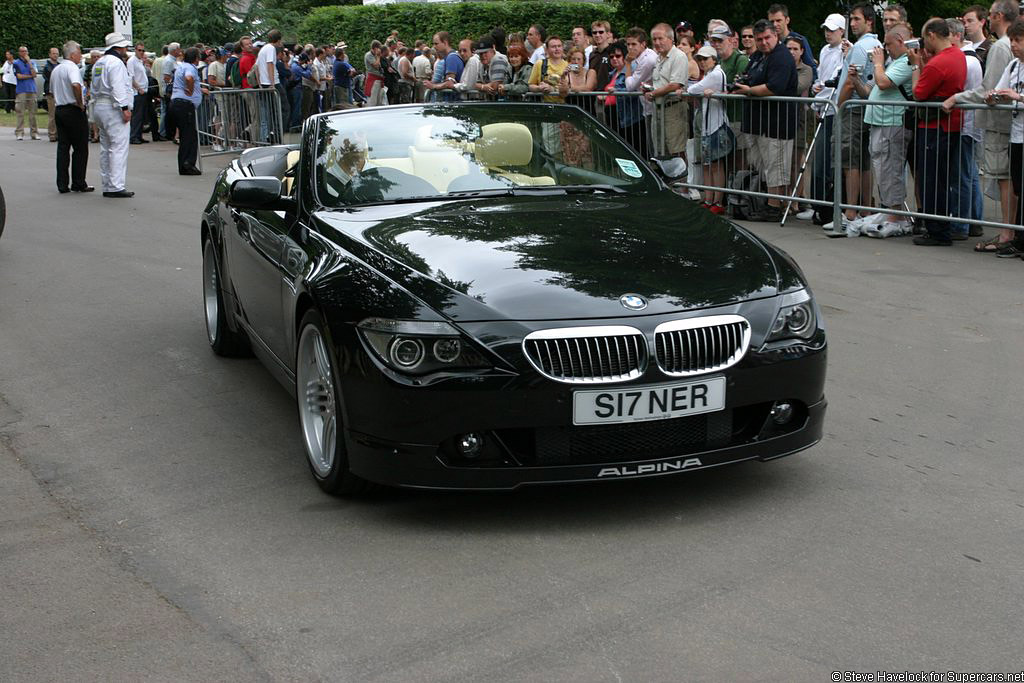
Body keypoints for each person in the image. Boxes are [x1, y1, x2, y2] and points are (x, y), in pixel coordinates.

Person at [948, 0, 1020, 253]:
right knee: (1007, 178)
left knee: (1004, 179)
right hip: (1008, 123)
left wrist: (957, 98)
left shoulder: (1001, 47)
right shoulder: (1004, 46)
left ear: (998, 16)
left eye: (989, 15)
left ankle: (1007, 233)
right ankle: (1010, 232)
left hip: (1001, 125)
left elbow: (990, 89)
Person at [908, 18, 967, 246]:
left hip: (934, 127)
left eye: (925, 38)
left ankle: (937, 230)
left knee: (931, 180)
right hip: (949, 125)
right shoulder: (958, 55)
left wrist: (915, 66)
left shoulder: (937, 63)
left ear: (932, 35)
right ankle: (941, 226)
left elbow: (918, 93)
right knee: (942, 179)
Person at [734, 19, 799, 220]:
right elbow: (748, 77)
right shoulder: (757, 56)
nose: (763, 42)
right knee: (763, 164)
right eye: (759, 39)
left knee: (775, 165)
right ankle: (769, 202)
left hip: (776, 123)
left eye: (767, 38)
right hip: (758, 122)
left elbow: (773, 87)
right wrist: (741, 85)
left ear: (776, 36)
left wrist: (749, 90)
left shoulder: (781, 57)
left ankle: (774, 206)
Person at [853, 24, 913, 237]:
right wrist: (855, 80)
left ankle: (896, 215)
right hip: (880, 122)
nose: (885, 49)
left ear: (900, 41)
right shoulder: (894, 62)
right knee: (882, 167)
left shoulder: (907, 60)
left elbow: (884, 82)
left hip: (893, 122)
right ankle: (889, 210)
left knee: (891, 168)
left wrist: (878, 64)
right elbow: (874, 89)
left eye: (888, 44)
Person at [828, 2, 882, 234]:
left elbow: (851, 81)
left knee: (851, 161)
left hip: (853, 109)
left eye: (857, 19)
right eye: (851, 20)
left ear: (869, 20)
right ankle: (865, 209)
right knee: (862, 161)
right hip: (864, 107)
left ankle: (850, 212)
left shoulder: (861, 47)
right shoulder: (874, 44)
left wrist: (838, 106)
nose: (853, 24)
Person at [985, 18, 1024, 254]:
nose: (1014, 46)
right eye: (1012, 41)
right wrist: (994, 97)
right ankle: (1019, 240)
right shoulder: (1013, 66)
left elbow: (1015, 95)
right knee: (1019, 188)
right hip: (1017, 136)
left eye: (1018, 41)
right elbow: (1000, 91)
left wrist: (1017, 97)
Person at [946, 18, 985, 241]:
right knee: (968, 174)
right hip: (968, 124)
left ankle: (961, 223)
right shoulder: (970, 58)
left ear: (956, 35)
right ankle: (974, 221)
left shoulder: (966, 60)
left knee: (962, 175)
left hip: (964, 124)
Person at [91, 33, 135, 198]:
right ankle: (116, 186)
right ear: (120, 47)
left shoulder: (99, 62)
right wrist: (124, 107)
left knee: (106, 147)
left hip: (100, 106)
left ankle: (108, 184)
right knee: (118, 147)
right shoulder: (116, 63)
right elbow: (117, 86)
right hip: (113, 107)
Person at [689, 44, 731, 212]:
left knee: (715, 164)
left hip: (716, 125)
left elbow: (693, 89)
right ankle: (709, 199)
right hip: (708, 126)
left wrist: (698, 90)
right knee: (708, 164)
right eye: (699, 59)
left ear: (714, 59)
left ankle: (718, 202)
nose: (702, 62)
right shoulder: (708, 74)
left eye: (705, 59)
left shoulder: (716, 74)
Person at [52, 41, 92, 193]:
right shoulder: (72, 67)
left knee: (63, 147)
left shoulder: (57, 69)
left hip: (60, 108)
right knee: (80, 148)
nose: (80, 56)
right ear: (73, 54)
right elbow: (76, 85)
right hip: (73, 109)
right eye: (79, 53)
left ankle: (62, 183)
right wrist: (80, 103)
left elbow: (51, 90)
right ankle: (78, 182)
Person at [648, 23, 689, 162]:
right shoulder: (658, 58)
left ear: (671, 39)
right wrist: (648, 89)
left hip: (674, 109)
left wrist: (654, 93)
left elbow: (675, 84)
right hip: (658, 109)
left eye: (660, 38)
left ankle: (683, 184)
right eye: (654, 39)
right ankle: (668, 183)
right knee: (661, 151)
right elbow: (660, 83)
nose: (657, 42)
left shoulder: (679, 56)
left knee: (677, 152)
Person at [170, 47, 207, 175]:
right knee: (190, 136)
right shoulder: (190, 68)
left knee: (186, 135)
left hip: (178, 103)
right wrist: (191, 91)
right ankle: (188, 164)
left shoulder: (182, 65)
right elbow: (189, 78)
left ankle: (184, 165)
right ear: (196, 58)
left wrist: (199, 90)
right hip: (185, 105)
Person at [767, 4, 817, 79]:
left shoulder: (799, 40)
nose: (775, 24)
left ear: (787, 20)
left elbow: (811, 67)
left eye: (778, 20)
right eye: (772, 21)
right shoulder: (767, 42)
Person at [528, 35, 568, 103]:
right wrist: (539, 88)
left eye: (559, 46)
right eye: (553, 47)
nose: (557, 49)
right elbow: (530, 85)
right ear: (547, 49)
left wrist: (552, 89)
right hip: (544, 105)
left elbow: (571, 88)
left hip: (563, 105)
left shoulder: (568, 65)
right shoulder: (539, 64)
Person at [12, 46, 39, 140]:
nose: (24, 53)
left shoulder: (33, 62)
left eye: (26, 51)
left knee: (33, 113)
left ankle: (34, 133)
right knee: (20, 112)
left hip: (32, 89)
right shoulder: (16, 63)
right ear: (19, 53)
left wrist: (29, 64)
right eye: (22, 51)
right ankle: (19, 133)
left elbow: (35, 74)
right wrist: (29, 75)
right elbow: (19, 76)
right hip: (21, 90)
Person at [127, 43, 149, 144]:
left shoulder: (139, 61)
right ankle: (134, 136)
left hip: (143, 91)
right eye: (139, 50)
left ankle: (139, 135)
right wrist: (139, 88)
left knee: (141, 116)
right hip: (137, 92)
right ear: (135, 50)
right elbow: (130, 77)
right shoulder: (132, 61)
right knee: (137, 116)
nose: (141, 52)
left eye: (143, 50)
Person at [43, 47, 61, 142]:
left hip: (59, 93)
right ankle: (52, 134)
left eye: (57, 53)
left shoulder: (59, 65)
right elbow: (50, 77)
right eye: (53, 53)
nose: (55, 55)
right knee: (52, 114)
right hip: (51, 93)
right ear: (50, 54)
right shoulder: (47, 67)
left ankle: (59, 133)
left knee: (59, 114)